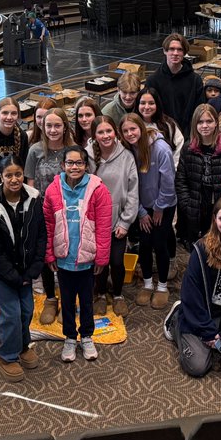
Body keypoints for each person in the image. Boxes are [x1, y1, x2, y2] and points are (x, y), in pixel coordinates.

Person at [164, 199, 221, 378]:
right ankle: (176, 320)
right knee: (197, 367)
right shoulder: (201, 248)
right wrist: (208, 333)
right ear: (215, 220)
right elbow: (191, 295)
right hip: (201, 314)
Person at [0, 155, 46, 383]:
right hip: (2, 273)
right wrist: (15, 277)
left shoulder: (34, 199)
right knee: (12, 314)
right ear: (1, 177)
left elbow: (39, 236)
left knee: (26, 311)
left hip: (25, 271)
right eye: (9, 175)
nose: (14, 179)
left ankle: (23, 345)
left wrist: (32, 271)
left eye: (18, 174)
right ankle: (6, 356)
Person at [43, 146, 112, 363]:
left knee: (87, 300)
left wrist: (101, 257)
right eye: (70, 163)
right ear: (62, 165)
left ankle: (87, 336)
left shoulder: (98, 189)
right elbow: (47, 224)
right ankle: (70, 337)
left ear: (85, 165)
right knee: (67, 300)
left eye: (79, 163)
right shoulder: (53, 190)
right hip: (64, 259)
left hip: (86, 260)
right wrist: (49, 254)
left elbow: (103, 224)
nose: (74, 167)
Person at [121, 114, 176, 309]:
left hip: (164, 204)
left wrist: (159, 208)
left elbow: (169, 184)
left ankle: (162, 286)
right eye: (125, 131)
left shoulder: (161, 149)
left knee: (159, 244)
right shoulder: (127, 151)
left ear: (141, 128)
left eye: (133, 129)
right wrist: (141, 212)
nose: (130, 134)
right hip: (142, 205)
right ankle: (146, 283)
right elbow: (129, 185)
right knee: (144, 245)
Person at [25, 108, 74, 324]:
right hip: (44, 212)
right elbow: (30, 184)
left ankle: (67, 299)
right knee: (47, 256)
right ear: (42, 128)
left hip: (69, 212)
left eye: (57, 125)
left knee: (67, 255)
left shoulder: (73, 151)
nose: (53, 130)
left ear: (65, 127)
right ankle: (51, 299)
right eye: (48, 126)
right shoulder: (35, 150)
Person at [88, 115, 139, 317]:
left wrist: (126, 221)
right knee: (99, 260)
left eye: (109, 131)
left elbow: (134, 191)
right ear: (94, 135)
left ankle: (117, 295)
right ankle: (100, 294)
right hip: (93, 223)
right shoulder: (87, 155)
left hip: (118, 221)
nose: (105, 135)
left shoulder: (126, 156)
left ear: (115, 132)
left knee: (117, 261)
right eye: (100, 132)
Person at [176, 104, 221, 244]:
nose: (205, 126)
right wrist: (187, 205)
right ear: (195, 124)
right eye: (200, 122)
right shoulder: (188, 149)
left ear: (216, 123)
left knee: (220, 247)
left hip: (220, 208)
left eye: (209, 121)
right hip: (194, 208)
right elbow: (180, 181)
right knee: (196, 250)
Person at [145, 33, 205, 139]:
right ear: (165, 51)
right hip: (162, 135)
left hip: (189, 137)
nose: (175, 53)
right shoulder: (153, 81)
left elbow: (199, 111)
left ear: (185, 53)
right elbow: (150, 112)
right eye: (171, 49)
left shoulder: (195, 80)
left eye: (179, 50)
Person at [135, 88, 184, 166]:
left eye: (151, 103)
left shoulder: (168, 124)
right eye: (143, 103)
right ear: (137, 104)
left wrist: (172, 169)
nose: (147, 107)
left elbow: (179, 147)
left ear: (157, 104)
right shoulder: (132, 125)